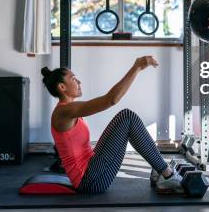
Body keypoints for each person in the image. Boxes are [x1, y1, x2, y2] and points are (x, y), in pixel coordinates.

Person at [41, 56, 182, 194]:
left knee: (127, 118)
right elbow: (111, 100)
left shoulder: (69, 109)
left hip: (92, 169)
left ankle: (161, 171)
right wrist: (136, 67)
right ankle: (167, 175)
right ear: (62, 87)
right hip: (89, 182)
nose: (79, 81)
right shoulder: (64, 111)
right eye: (73, 79)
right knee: (127, 118)